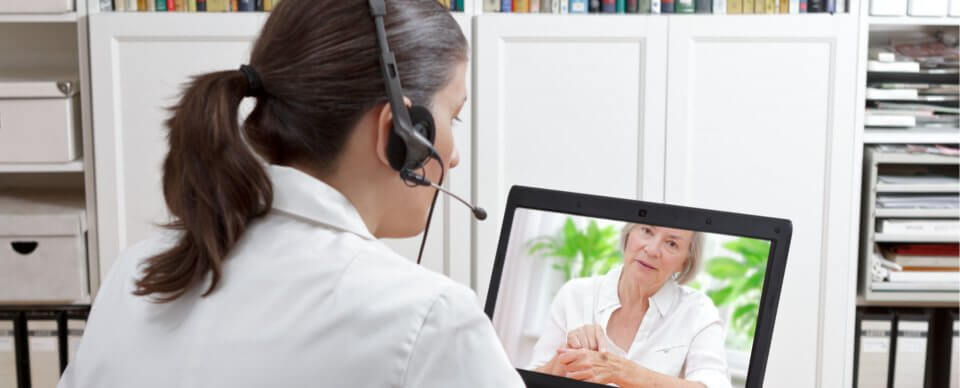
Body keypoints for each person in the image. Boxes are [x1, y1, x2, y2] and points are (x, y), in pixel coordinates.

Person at [57, 0, 523, 386]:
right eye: (453, 118)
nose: (454, 156)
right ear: (398, 132)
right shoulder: (432, 320)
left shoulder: (135, 274)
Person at [528, 223, 731, 388]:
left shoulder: (698, 311)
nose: (652, 250)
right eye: (647, 231)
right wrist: (566, 357)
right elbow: (526, 382)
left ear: (685, 262)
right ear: (628, 234)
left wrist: (624, 373)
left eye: (671, 244)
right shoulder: (575, 294)